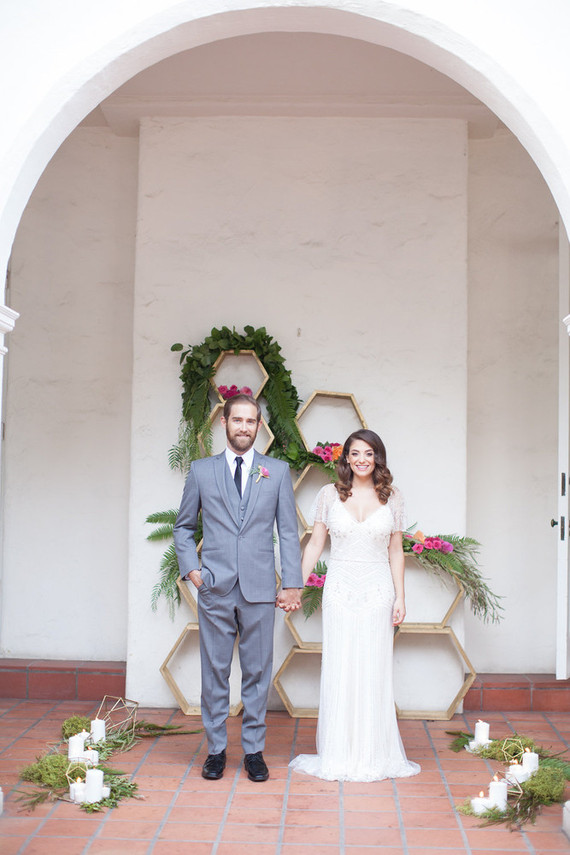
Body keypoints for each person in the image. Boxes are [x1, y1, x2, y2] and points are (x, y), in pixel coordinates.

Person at [173, 393, 303, 782]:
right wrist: (193, 571)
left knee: (257, 672)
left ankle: (254, 752)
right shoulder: (201, 471)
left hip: (260, 589)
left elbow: (288, 532)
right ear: (224, 423)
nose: (244, 427)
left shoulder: (276, 471)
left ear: (259, 425)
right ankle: (215, 750)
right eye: (237, 420)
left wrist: (292, 584)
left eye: (250, 421)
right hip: (215, 587)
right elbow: (183, 527)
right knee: (214, 671)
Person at [289, 429, 420, 782]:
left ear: (378, 458)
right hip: (340, 590)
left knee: (374, 668)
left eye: (369, 453)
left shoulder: (392, 497)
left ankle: (373, 753)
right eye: (356, 453)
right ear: (346, 458)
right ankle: (339, 752)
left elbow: (396, 551)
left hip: (378, 591)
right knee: (340, 666)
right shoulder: (328, 494)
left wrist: (401, 596)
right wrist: (295, 586)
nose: (362, 460)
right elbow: (315, 544)